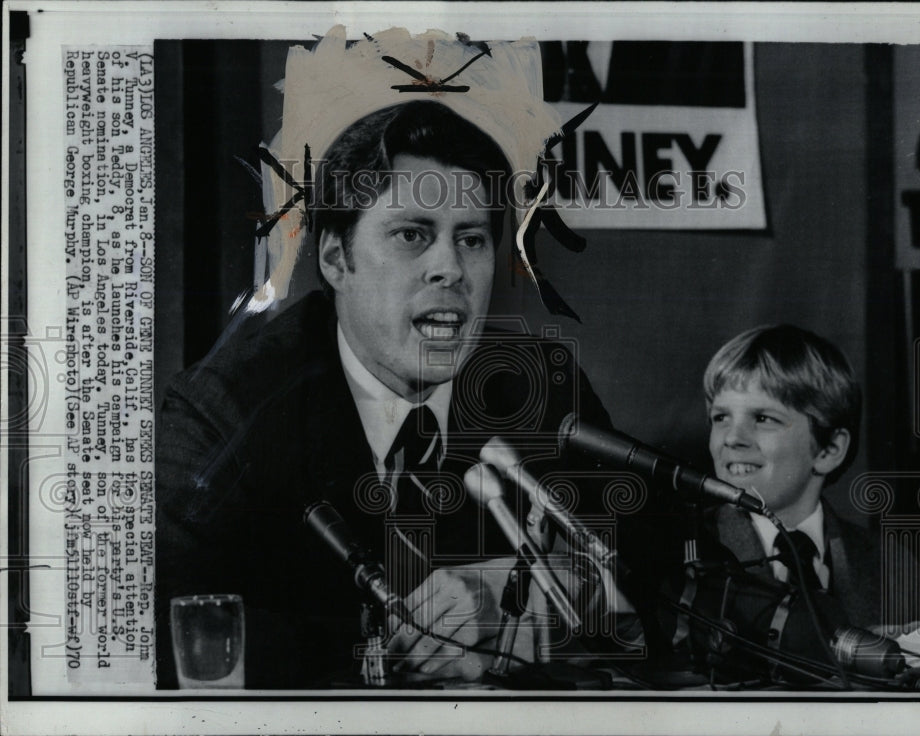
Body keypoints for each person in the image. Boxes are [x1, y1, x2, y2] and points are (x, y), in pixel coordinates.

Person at [155, 94, 615, 687]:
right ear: (335, 260)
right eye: (412, 236)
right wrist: (394, 650)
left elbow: (663, 570)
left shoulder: (541, 384)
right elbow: (167, 629)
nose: (450, 268)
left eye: (471, 239)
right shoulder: (225, 410)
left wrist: (521, 600)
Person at [699, 324, 920, 632]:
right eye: (720, 417)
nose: (732, 438)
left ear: (829, 450)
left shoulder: (891, 565)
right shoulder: (690, 553)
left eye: (763, 418)